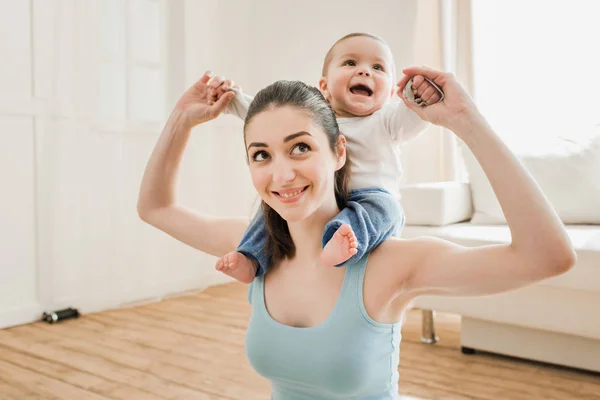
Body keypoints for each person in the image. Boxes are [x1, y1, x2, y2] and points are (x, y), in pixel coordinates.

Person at [137, 67, 576, 399]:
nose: (282, 173)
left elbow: (547, 256)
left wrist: (465, 120)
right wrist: (181, 119)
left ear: (338, 151)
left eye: (301, 147)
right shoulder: (257, 252)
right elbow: (156, 208)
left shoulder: (390, 265)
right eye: (261, 155)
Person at [208, 33, 444, 284]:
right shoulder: (315, 118)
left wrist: (419, 94)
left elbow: (417, 116)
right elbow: (266, 116)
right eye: (350, 63)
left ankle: (341, 241)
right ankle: (251, 257)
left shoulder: (386, 121)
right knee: (270, 212)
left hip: (370, 196)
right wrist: (232, 100)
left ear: (389, 92)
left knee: (389, 210)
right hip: (323, 196)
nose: (365, 72)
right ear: (324, 87)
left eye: (378, 67)